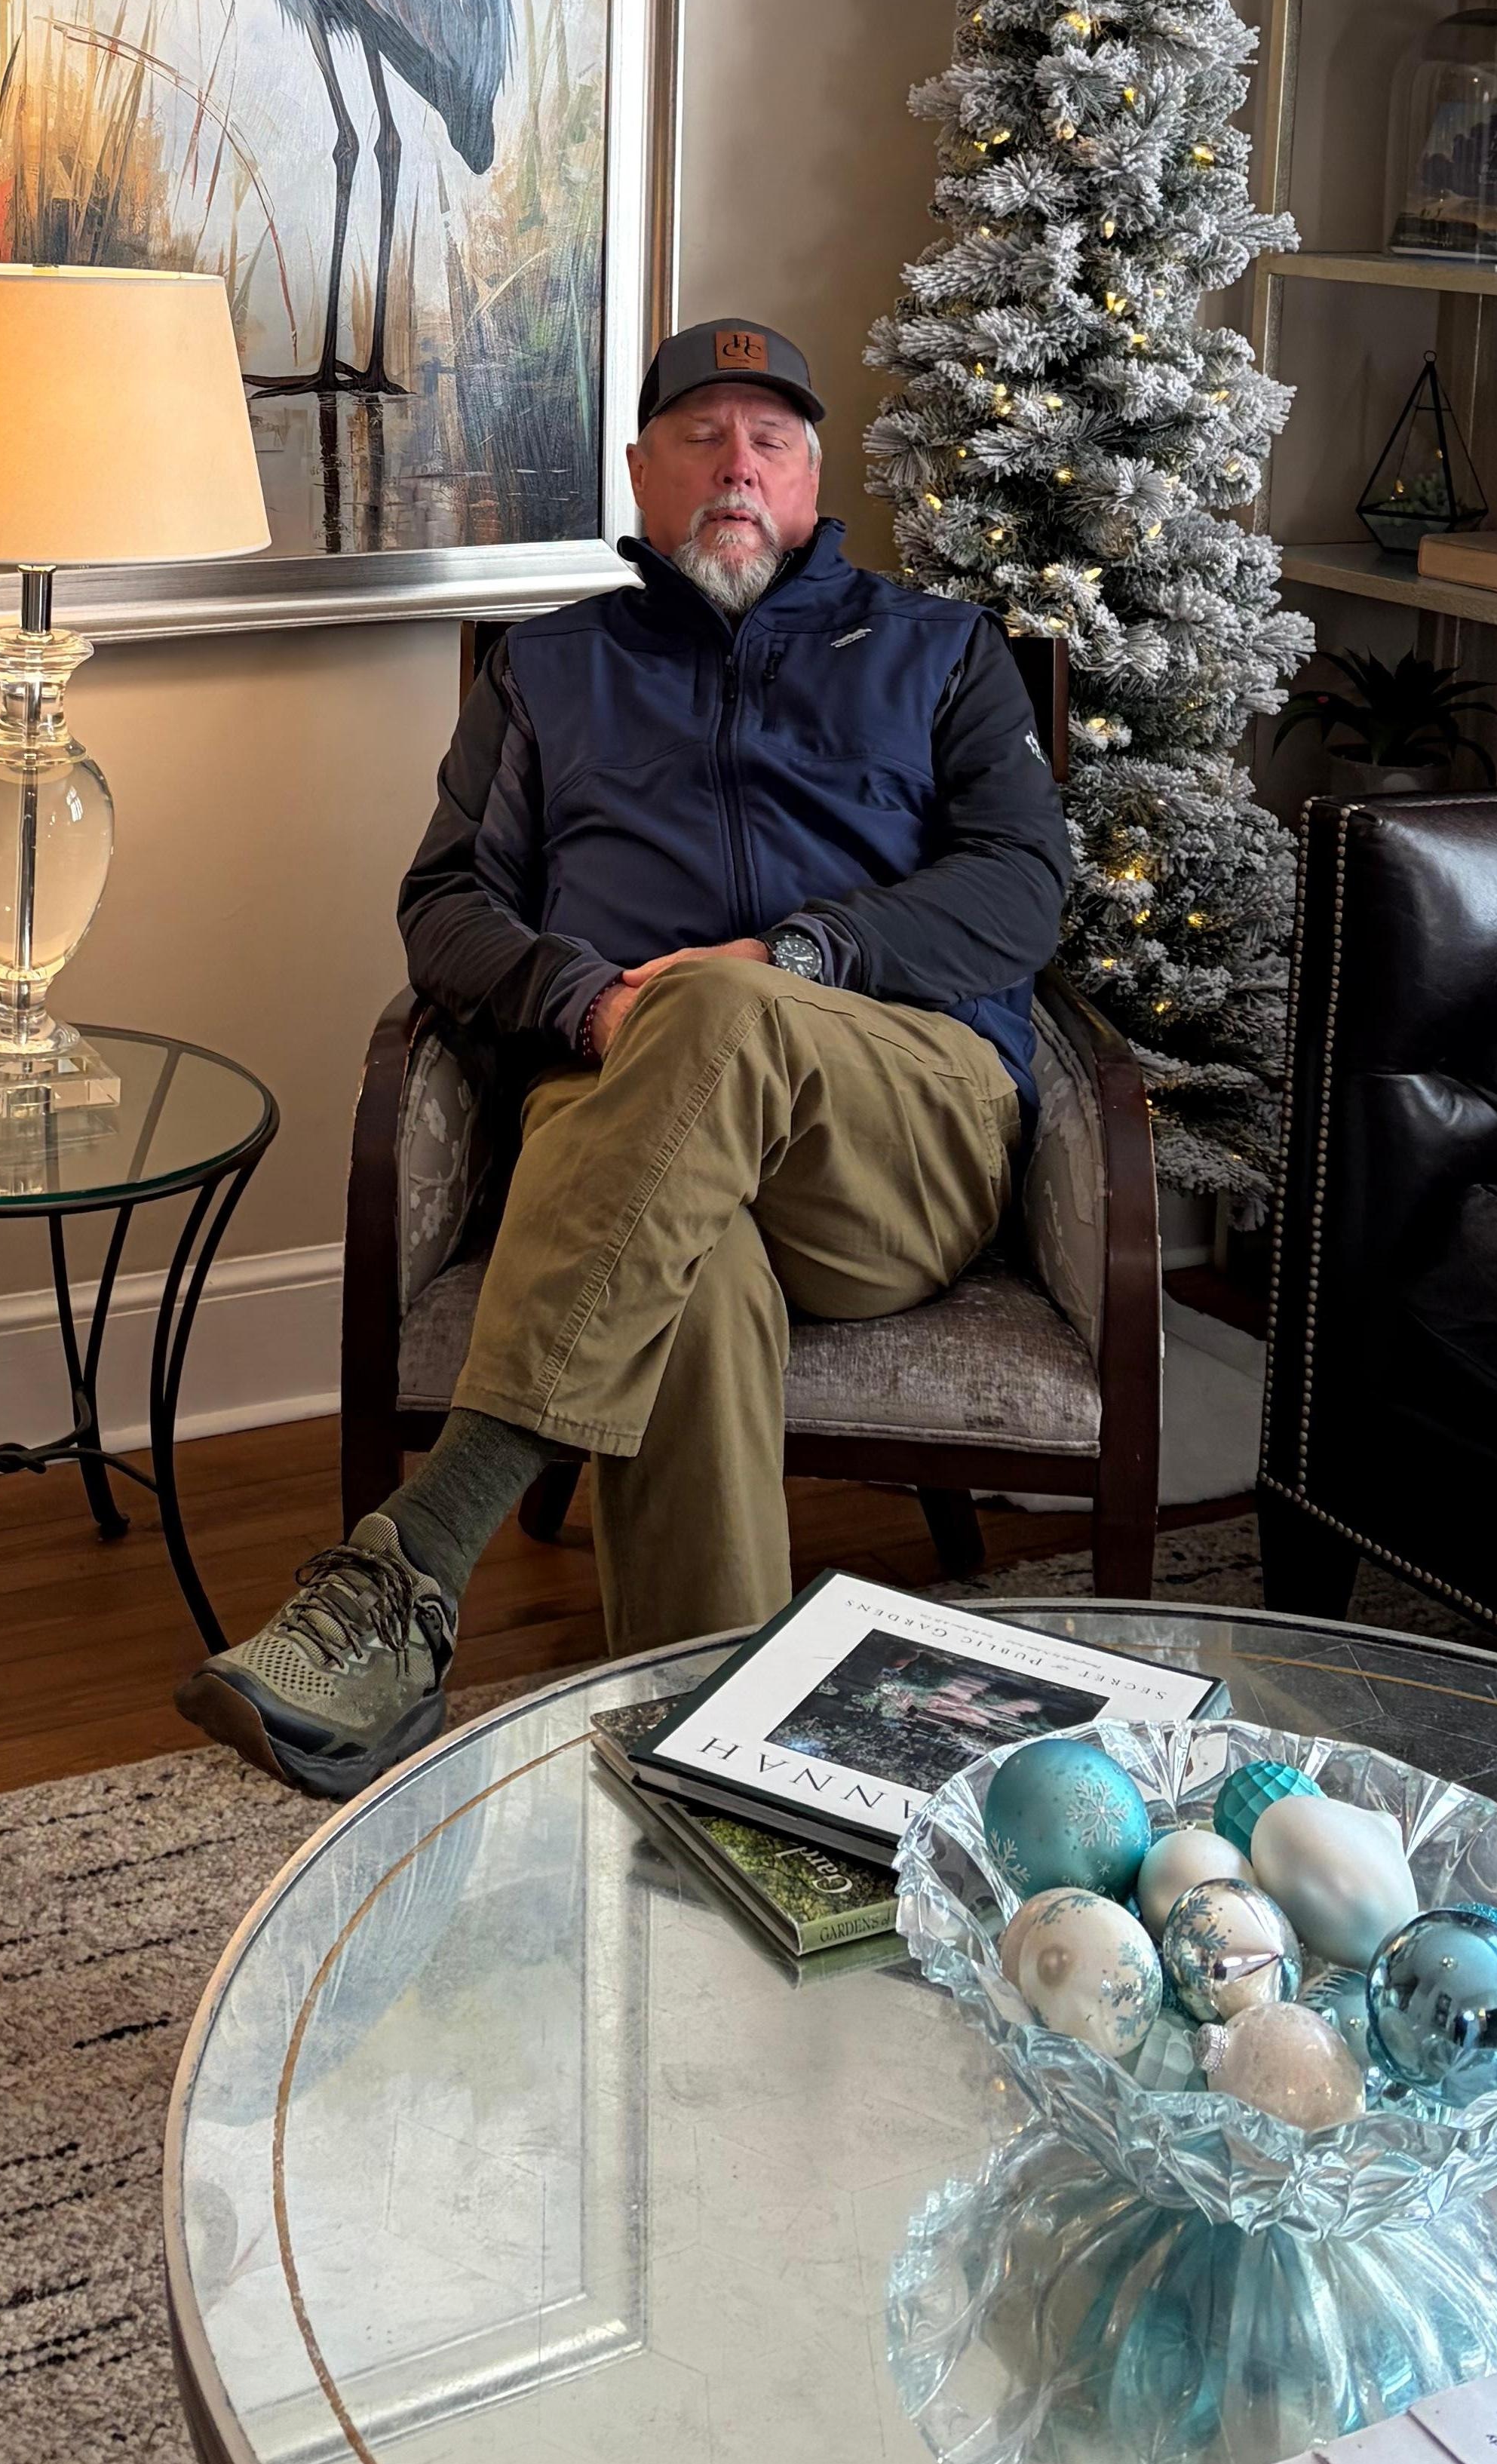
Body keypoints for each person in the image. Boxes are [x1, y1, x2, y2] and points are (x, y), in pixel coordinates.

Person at [176, 315, 1072, 1797]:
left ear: (814, 474)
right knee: (691, 1267)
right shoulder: (551, 671)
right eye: (703, 436)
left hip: (898, 1132)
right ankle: (723, 1765)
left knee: (717, 1013)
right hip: (635, 1142)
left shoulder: (939, 652)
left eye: (771, 438)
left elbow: (1022, 891)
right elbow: (445, 908)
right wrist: (589, 1002)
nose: (739, 464)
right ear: (642, 473)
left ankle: (411, 1568)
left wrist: (800, 960)